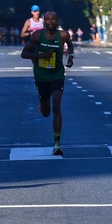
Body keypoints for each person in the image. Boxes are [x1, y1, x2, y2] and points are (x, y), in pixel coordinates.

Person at [21, 10, 75, 156]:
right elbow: (24, 53)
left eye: (53, 19)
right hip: (41, 76)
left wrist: (70, 56)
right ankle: (42, 102)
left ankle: (57, 143)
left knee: (57, 106)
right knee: (46, 112)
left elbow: (70, 45)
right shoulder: (37, 35)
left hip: (57, 74)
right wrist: (41, 56)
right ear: (44, 21)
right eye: (48, 19)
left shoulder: (63, 35)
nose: (51, 22)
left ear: (57, 21)